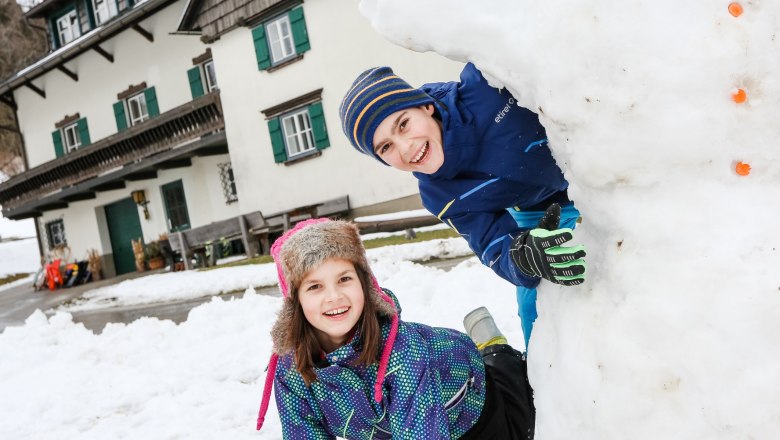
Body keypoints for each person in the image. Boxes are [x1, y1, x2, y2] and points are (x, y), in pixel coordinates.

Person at [339, 64, 587, 347]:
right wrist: (522, 256)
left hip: (597, 164)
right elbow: (492, 243)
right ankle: (548, 382)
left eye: (403, 124)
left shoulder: (486, 85)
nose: (405, 147)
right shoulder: (439, 195)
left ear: (426, 106)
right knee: (536, 309)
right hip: (545, 207)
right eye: (386, 147)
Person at [255, 218, 535, 439]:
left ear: (365, 284)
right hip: (394, 427)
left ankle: (495, 349)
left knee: (523, 414)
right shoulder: (291, 370)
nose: (334, 297)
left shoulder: (402, 352)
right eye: (315, 286)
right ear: (296, 301)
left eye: (344, 279)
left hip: (468, 405)